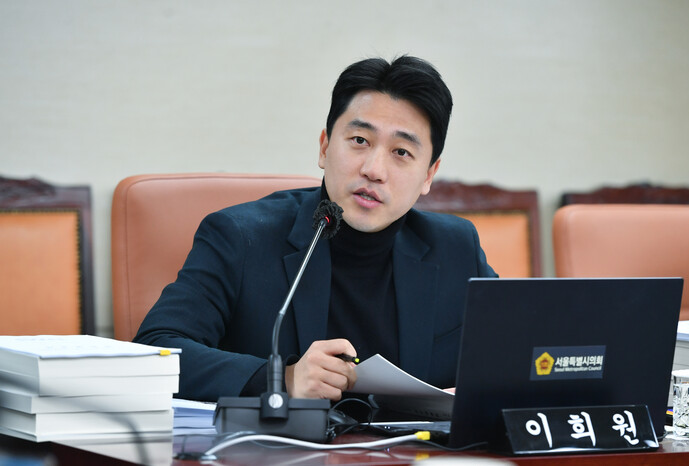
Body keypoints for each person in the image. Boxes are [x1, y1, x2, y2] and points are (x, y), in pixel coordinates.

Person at [134, 55, 497, 402]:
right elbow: (154, 351)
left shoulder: (456, 247)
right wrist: (282, 379)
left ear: (429, 175)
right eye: (360, 141)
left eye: (401, 152)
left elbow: (517, 351)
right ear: (324, 147)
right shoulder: (240, 237)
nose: (374, 169)